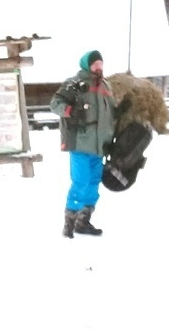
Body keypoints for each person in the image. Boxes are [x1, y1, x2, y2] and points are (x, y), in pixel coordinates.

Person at [54, 49, 114, 238]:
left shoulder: (105, 85)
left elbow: (110, 111)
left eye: (101, 64)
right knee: (80, 181)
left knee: (94, 182)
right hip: (80, 141)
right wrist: (70, 110)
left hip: (99, 144)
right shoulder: (73, 83)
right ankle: (69, 222)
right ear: (87, 65)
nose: (99, 67)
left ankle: (84, 221)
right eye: (95, 64)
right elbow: (55, 103)